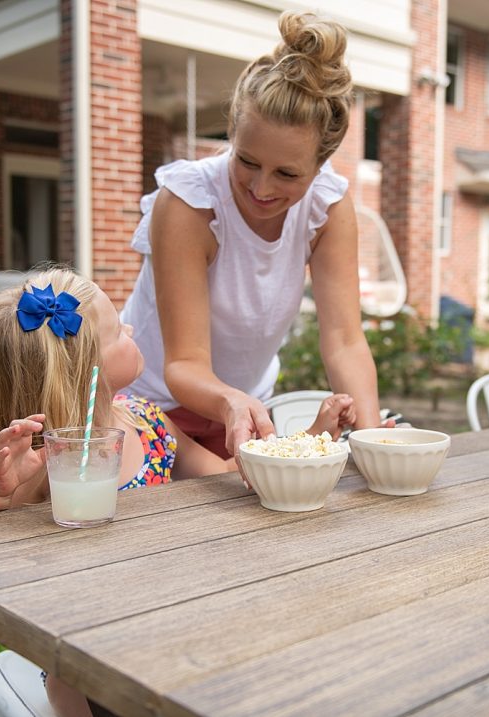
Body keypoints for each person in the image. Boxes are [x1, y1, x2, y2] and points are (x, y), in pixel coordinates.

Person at [0, 266, 353, 717]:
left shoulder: (147, 421)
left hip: (171, 621)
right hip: (86, 660)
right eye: (119, 330)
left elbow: (224, 474)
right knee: (75, 682)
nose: (133, 329)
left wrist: (314, 437)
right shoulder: (45, 463)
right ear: (89, 371)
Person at [121, 10, 389, 460]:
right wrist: (233, 402)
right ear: (231, 132)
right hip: (151, 411)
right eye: (246, 161)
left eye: (286, 173)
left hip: (241, 411)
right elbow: (184, 364)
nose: (261, 188)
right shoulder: (189, 203)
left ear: (320, 166)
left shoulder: (327, 207)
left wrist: (375, 440)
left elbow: (344, 341)